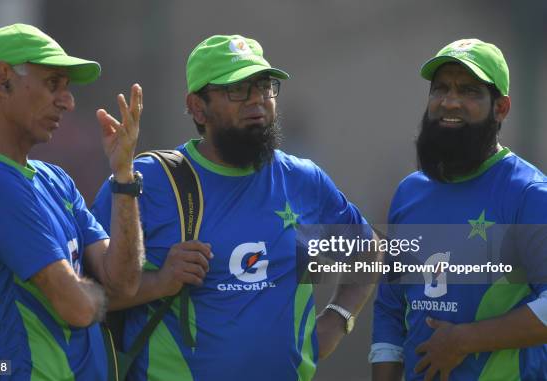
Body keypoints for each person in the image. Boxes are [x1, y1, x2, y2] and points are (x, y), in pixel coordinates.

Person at [91, 34, 377, 381]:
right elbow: (81, 299)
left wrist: (337, 319)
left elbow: (368, 251)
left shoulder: (303, 179)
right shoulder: (146, 181)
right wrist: (159, 281)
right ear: (197, 107)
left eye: (264, 86)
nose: (257, 100)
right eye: (237, 90)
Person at [0, 23, 144, 380]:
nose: (68, 102)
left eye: (66, 89)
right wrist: (139, 287)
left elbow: (124, 281)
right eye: (53, 84)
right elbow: (78, 308)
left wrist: (124, 177)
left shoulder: (56, 180)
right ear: (3, 78)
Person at [370, 39, 547, 381]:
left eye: (468, 91)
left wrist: (465, 341)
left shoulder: (529, 193)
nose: (450, 101)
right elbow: (390, 310)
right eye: (441, 89)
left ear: (501, 108)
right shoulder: (410, 192)